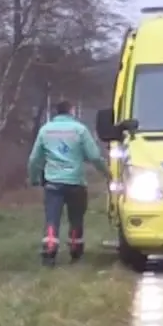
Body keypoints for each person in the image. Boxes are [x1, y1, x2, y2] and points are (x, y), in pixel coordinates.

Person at [27, 99, 111, 266]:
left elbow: (34, 158)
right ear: (72, 111)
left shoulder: (45, 130)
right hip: (76, 182)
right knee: (76, 217)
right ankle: (75, 248)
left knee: (52, 218)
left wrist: (34, 178)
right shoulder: (80, 130)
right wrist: (107, 173)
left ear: (57, 112)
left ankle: (50, 249)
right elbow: (94, 156)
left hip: (52, 182)